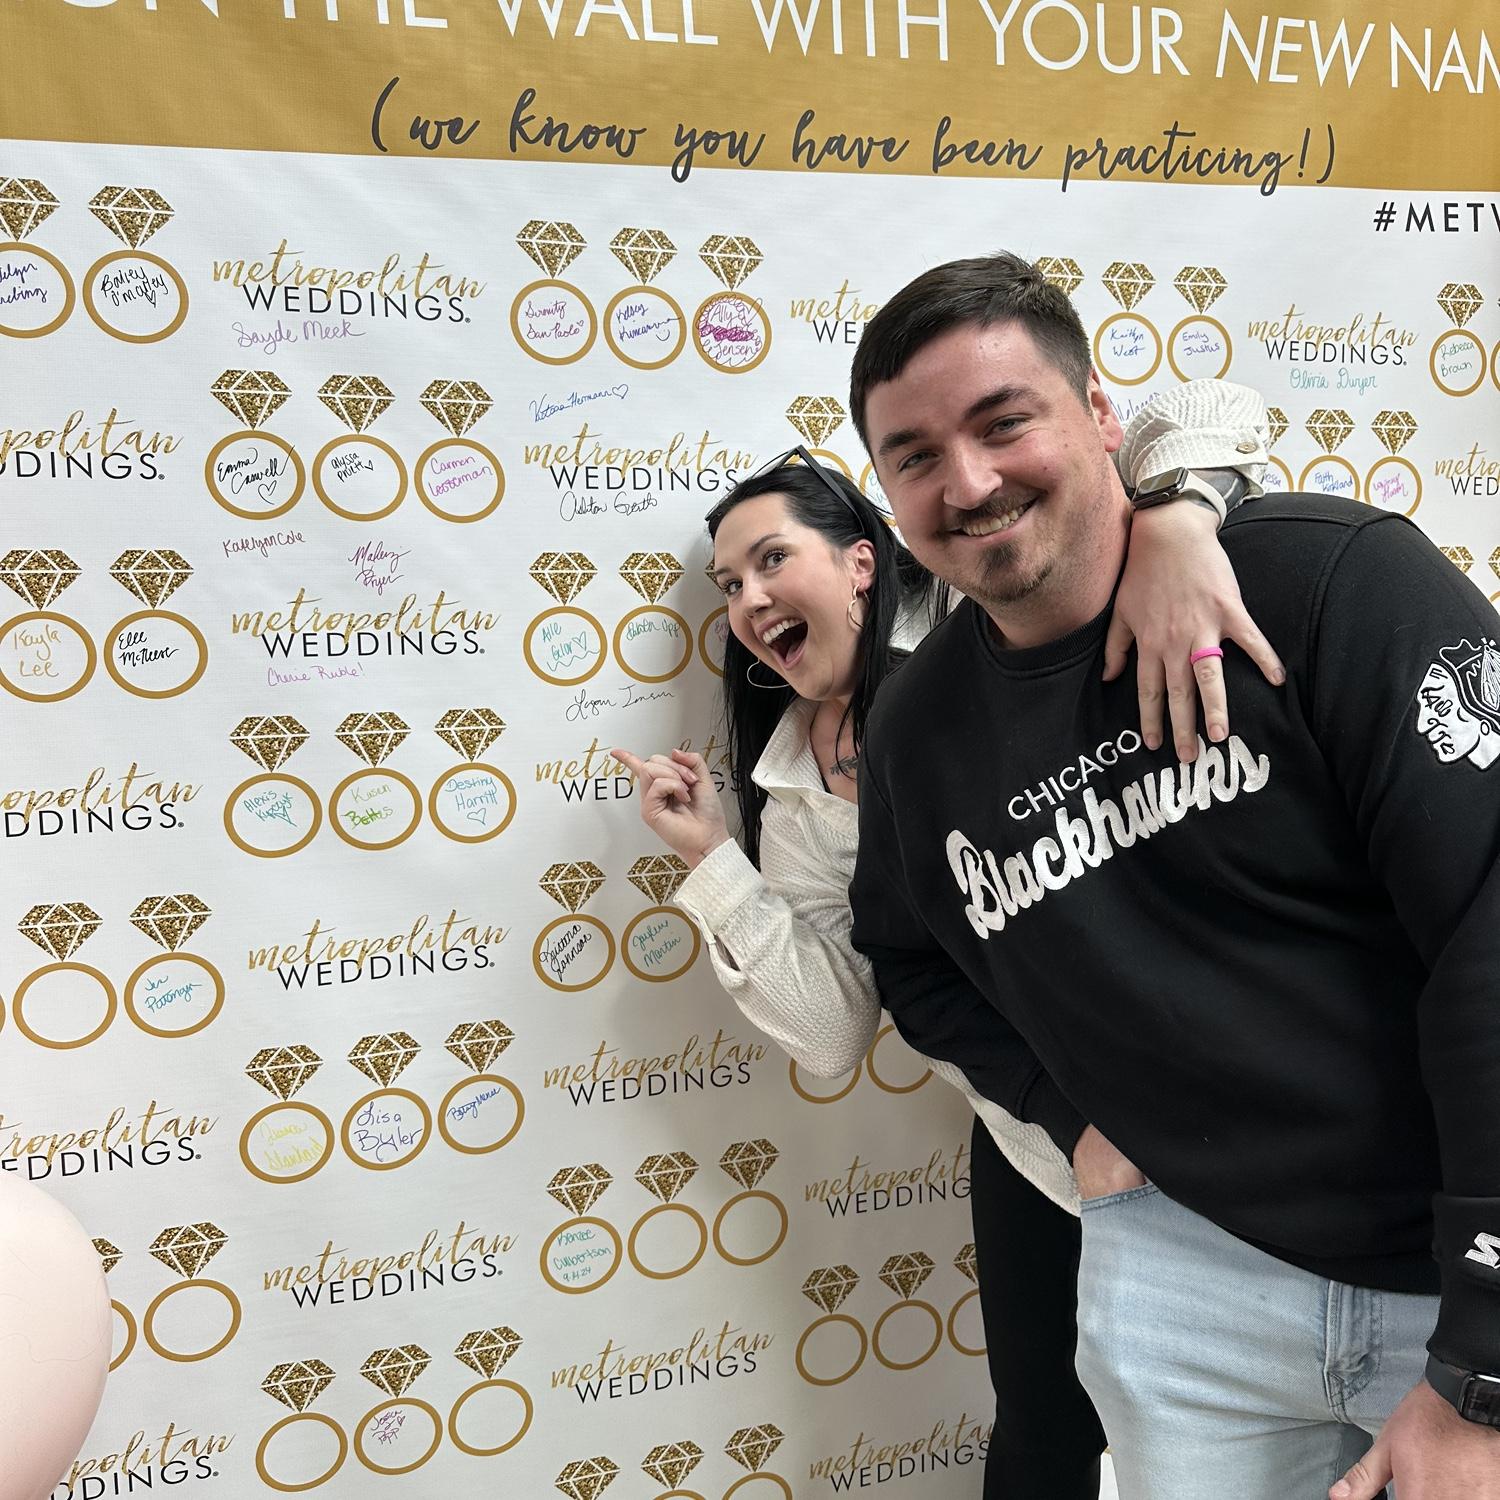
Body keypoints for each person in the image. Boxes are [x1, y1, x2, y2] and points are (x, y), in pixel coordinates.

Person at [845, 251, 1500, 1500]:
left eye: (1003, 422)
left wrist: (1484, 1360)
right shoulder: (916, 734)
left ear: (1102, 414)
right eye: (915, 456)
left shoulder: (1325, 582)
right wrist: (1063, 1114)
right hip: (1181, 1288)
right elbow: (910, 959)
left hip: (1450, 1268)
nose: (968, 483)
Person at [615, 380, 1281, 1499]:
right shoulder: (798, 784)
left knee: (1271, 1406)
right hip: (1034, 1134)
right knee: (1046, 1431)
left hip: (1217, 1076)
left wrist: (1177, 518)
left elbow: (1217, 402)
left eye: (771, 560)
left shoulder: (989, 612)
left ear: (860, 562)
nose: (750, 599)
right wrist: (714, 861)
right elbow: (834, 1032)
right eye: (730, 585)